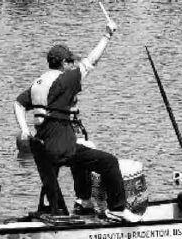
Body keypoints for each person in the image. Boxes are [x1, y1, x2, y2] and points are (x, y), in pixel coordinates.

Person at [12, 21, 140, 222]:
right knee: (108, 162)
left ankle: (82, 202)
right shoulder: (65, 79)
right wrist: (107, 35)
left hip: (42, 147)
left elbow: (18, 104)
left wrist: (24, 129)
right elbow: (92, 61)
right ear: (63, 63)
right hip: (60, 146)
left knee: (81, 151)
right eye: (70, 61)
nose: (72, 65)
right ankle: (117, 209)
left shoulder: (37, 83)